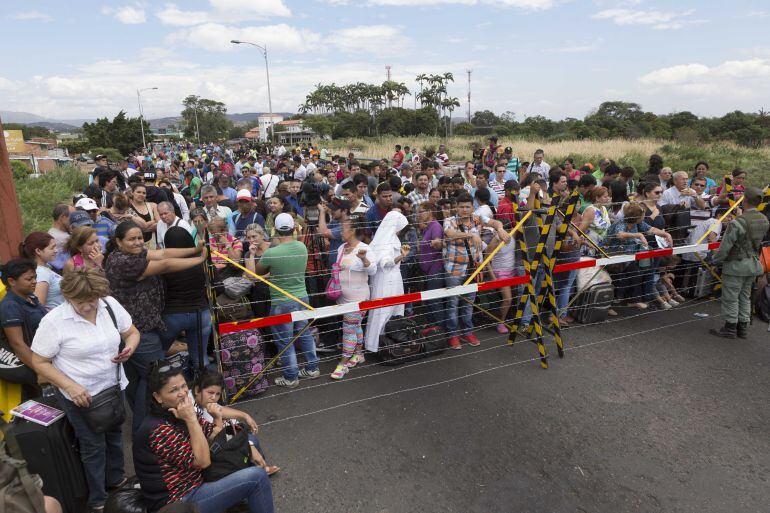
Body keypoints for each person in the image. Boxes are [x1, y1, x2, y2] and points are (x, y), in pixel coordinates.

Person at [31, 268, 140, 513]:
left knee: (114, 435)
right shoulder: (54, 321)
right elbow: (39, 361)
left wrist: (130, 348)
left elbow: (131, 333)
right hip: (80, 395)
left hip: (112, 386)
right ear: (68, 297)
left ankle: (116, 479)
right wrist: (69, 385)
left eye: (93, 300)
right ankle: (98, 499)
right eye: (81, 302)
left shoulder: (109, 305)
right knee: (93, 446)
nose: (89, 306)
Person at [104, 221, 208, 433]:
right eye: (132, 239)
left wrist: (196, 248)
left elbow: (162, 254)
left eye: (140, 238)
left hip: (133, 329)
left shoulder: (130, 255)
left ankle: (141, 425)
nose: (138, 242)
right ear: (118, 242)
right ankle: (147, 430)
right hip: (140, 330)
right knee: (156, 377)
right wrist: (200, 259)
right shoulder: (123, 262)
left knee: (136, 380)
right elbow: (165, 264)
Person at [133, 362, 274, 513]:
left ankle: (244, 502)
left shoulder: (178, 410)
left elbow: (215, 434)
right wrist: (191, 419)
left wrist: (248, 444)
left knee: (252, 441)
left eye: (183, 386)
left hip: (197, 481)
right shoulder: (158, 429)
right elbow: (203, 462)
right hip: (180, 499)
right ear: (158, 397)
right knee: (256, 478)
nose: (182, 393)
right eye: (174, 390)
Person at [250, 213, 319, 388]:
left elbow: (256, 273)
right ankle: (312, 367)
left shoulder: (271, 253)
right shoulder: (302, 247)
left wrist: (251, 255)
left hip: (281, 302)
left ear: (274, 229)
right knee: (304, 333)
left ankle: (291, 377)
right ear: (294, 228)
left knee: (284, 340)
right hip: (302, 297)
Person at [443, 193, 510, 349]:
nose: (465, 210)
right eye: (461, 207)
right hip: (454, 270)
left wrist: (500, 229)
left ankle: (467, 332)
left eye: (467, 206)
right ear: (456, 208)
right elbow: (450, 233)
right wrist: (472, 235)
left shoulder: (477, 218)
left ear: (472, 207)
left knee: (469, 303)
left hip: (473, 269)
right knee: (453, 303)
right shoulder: (450, 221)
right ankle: (453, 335)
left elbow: (495, 222)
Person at [191, 371, 278, 475]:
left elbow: (220, 409)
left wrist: (245, 416)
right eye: (210, 393)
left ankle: (258, 467)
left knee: (247, 436)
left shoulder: (203, 401)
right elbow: (218, 439)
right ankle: (256, 470)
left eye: (217, 394)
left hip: (213, 441)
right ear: (197, 390)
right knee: (250, 440)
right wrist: (217, 417)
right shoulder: (192, 408)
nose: (214, 398)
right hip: (206, 456)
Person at [710, 187, 770, 339]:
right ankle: (742, 327)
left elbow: (725, 247)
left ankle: (730, 327)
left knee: (731, 297)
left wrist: (715, 260)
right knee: (745, 296)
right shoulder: (764, 220)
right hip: (753, 263)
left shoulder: (738, 222)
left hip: (736, 265)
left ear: (745, 200)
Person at [159, 227, 212, 375]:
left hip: (172, 315)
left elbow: (160, 292)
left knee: (158, 356)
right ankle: (207, 393)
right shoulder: (201, 260)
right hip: (201, 313)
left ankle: (163, 392)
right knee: (201, 358)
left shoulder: (165, 265)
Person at [330, 219, 376, 380]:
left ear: (353, 231)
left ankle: (343, 364)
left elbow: (372, 270)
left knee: (348, 329)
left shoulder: (364, 248)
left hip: (358, 298)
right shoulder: (341, 248)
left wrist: (363, 259)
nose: (340, 232)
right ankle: (358, 354)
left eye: (343, 229)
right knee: (355, 326)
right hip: (342, 296)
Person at [604, 203, 673, 310]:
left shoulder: (638, 224)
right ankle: (612, 304)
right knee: (619, 279)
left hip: (629, 257)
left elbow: (651, 229)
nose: (644, 217)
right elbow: (620, 234)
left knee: (635, 275)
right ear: (637, 217)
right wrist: (639, 235)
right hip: (614, 257)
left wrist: (666, 234)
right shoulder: (621, 223)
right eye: (643, 215)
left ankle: (631, 301)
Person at [364, 211, 411, 352]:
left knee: (395, 308)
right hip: (385, 280)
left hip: (395, 278)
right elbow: (385, 262)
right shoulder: (384, 241)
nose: (401, 231)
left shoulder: (392, 239)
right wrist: (401, 257)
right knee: (383, 309)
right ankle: (378, 344)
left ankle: (394, 340)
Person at [0, 259, 47, 398]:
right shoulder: (10, 306)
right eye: (29, 279)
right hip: (32, 367)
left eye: (35, 277)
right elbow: (18, 344)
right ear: (12, 281)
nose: (34, 281)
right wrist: (43, 370)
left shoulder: (31, 298)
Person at [416, 203, 446, 328]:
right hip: (429, 271)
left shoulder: (435, 226)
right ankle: (434, 328)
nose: (418, 214)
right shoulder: (428, 227)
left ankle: (442, 329)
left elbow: (438, 244)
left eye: (421, 211)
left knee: (435, 301)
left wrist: (437, 243)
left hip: (435, 269)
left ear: (430, 212)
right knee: (430, 300)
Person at [20, 232, 64, 309]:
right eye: (52, 248)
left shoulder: (45, 268)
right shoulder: (40, 273)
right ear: (38, 251)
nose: (56, 250)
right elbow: (39, 307)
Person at [129, 183, 160, 249]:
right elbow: (129, 228)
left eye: (144, 193)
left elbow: (159, 224)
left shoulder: (153, 206)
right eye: (138, 192)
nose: (141, 195)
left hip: (153, 243)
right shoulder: (128, 207)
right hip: (134, 245)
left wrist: (142, 228)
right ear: (132, 193)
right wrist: (153, 221)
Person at [48, 203, 74, 271]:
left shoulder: (51, 232)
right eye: (72, 217)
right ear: (63, 217)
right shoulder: (62, 238)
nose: (74, 220)